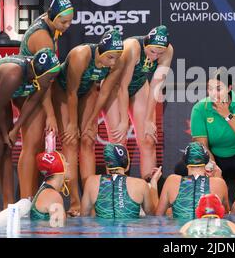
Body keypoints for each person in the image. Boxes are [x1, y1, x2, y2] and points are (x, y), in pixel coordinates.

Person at [52, 29, 124, 216]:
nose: (114, 63)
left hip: (89, 91)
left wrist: (92, 120)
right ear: (101, 51)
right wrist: (72, 124)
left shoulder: (117, 61)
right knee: (70, 141)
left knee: (88, 140)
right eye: (110, 58)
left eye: (117, 57)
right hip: (62, 91)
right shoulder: (80, 55)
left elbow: (105, 92)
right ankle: (75, 201)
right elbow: (71, 92)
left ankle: (89, 200)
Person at [0, 48, 60, 217]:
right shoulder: (14, 75)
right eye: (50, 77)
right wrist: (5, 133)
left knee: (7, 148)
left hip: (0, 99)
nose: (52, 80)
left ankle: (8, 204)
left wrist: (16, 129)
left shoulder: (43, 78)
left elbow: (31, 102)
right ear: (38, 72)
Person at [14, 0, 74, 201]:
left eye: (70, 21)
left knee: (36, 147)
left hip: (34, 89)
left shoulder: (48, 25)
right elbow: (45, 82)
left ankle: (29, 199)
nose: (67, 26)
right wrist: (50, 115)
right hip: (30, 92)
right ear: (52, 16)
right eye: (63, 21)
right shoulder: (43, 37)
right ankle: (25, 200)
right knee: (30, 147)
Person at [102, 25, 173, 180]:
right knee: (118, 142)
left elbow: (156, 85)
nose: (154, 56)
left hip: (139, 84)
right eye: (152, 51)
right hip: (114, 88)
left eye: (159, 53)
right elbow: (122, 86)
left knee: (148, 140)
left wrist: (148, 120)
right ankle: (115, 192)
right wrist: (123, 121)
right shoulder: (132, 47)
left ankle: (149, 193)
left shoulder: (168, 51)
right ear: (145, 45)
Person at [188, 68, 235, 203]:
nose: (214, 94)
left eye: (219, 89)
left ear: (229, 88)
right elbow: (202, 145)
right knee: (183, 166)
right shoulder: (199, 108)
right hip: (214, 155)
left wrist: (227, 115)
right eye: (210, 89)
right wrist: (212, 164)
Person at [80, 143, 161, 218]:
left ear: (107, 163)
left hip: (103, 232)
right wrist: (153, 185)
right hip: (131, 231)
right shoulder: (140, 185)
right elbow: (153, 215)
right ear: (126, 162)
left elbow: (84, 216)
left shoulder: (91, 182)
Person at [156, 142, 230, 220]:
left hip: (181, 230)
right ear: (207, 161)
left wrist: (153, 184)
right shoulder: (219, 183)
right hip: (207, 229)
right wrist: (218, 177)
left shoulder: (172, 181)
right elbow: (226, 213)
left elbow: (158, 215)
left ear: (184, 161)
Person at [30, 151, 69, 227]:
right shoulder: (52, 195)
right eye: (65, 162)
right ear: (59, 168)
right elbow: (59, 229)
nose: (69, 164)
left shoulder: (45, 189)